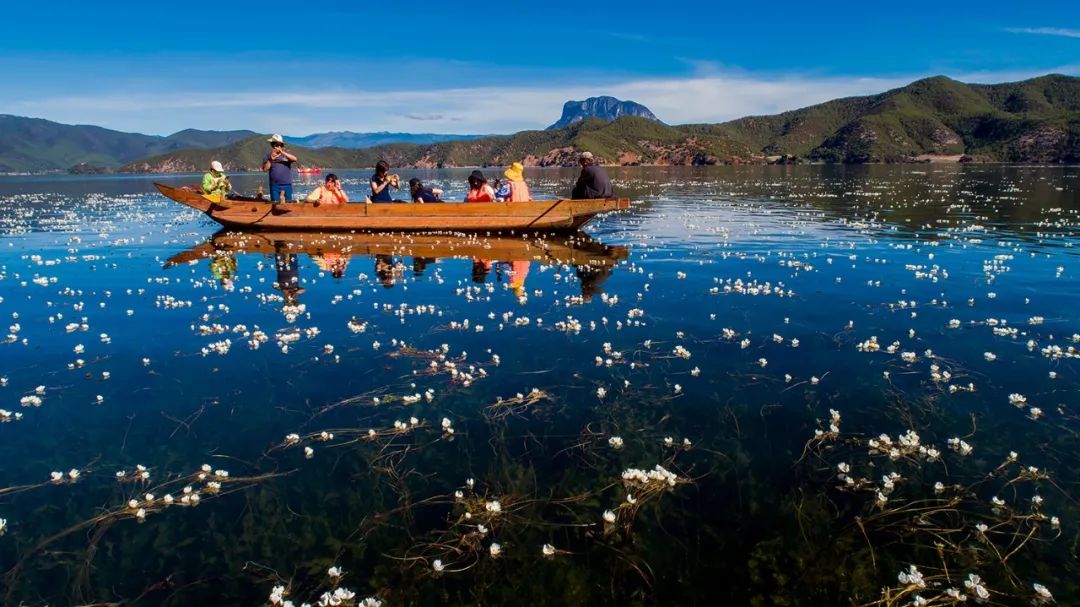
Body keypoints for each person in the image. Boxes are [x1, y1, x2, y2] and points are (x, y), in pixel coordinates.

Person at [262, 134, 298, 203]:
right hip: (274, 186)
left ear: (282, 145)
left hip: (287, 185)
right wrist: (271, 160)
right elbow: (265, 169)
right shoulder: (267, 156)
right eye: (275, 145)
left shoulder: (287, 155)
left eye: (279, 145)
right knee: (275, 204)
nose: (277, 147)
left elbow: (295, 159)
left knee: (288, 204)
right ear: (272, 145)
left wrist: (282, 152)